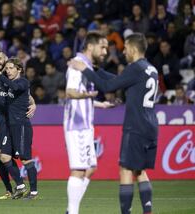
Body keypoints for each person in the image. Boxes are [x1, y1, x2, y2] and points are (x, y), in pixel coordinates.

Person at [70, 33, 158, 214]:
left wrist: (84, 69)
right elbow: (119, 80)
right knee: (139, 170)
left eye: (125, 48)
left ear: (133, 49)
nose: (123, 52)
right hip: (151, 125)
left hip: (136, 125)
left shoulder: (135, 67)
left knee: (125, 169)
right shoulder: (150, 69)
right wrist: (95, 69)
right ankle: (147, 211)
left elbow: (108, 87)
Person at [64, 31, 115, 214]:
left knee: (91, 168)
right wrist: (87, 95)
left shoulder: (88, 66)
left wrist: (100, 104)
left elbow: (84, 95)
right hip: (76, 125)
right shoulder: (77, 66)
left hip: (85, 125)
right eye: (102, 47)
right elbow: (70, 92)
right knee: (78, 169)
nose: (105, 52)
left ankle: (70, 210)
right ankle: (73, 211)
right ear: (91, 46)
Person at [0, 49, 36, 199]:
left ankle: (22, 186)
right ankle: (9, 189)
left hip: (6, 119)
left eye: (0, 58)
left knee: (6, 156)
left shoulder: (9, 76)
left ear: (5, 60)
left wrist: (34, 104)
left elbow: (25, 93)